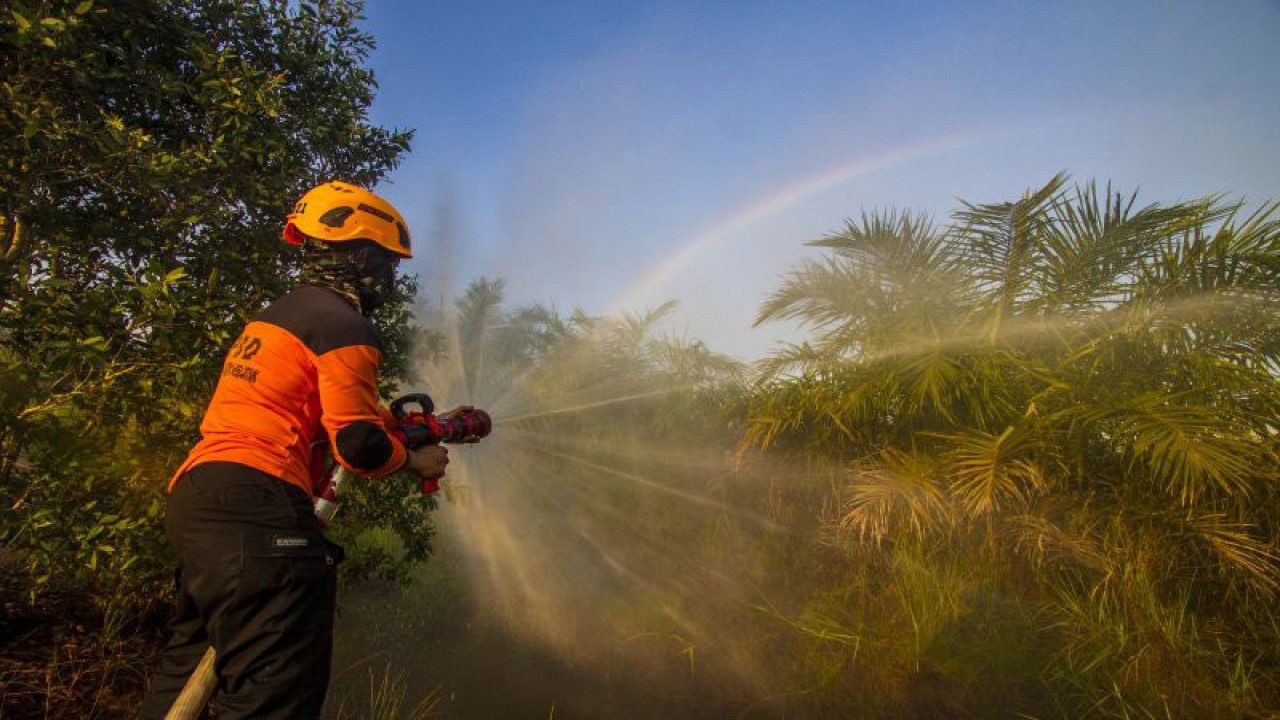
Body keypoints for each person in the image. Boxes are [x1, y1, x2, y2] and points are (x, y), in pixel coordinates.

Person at [138, 181, 453, 719]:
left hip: (201, 500)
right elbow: (357, 445)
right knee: (274, 696)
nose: (389, 280)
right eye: (386, 265)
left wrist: (399, 424)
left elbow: (326, 410)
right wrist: (412, 458)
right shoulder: (345, 325)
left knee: (184, 673)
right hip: (259, 513)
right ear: (360, 260)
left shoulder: (279, 317)